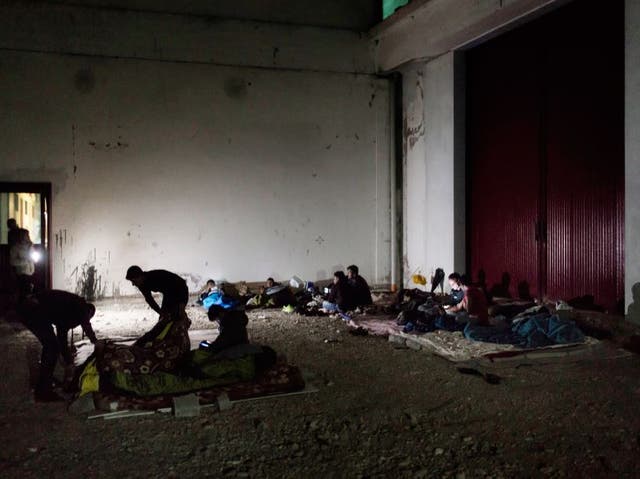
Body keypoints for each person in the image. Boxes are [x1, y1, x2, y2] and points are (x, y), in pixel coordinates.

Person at [17, 290, 97, 401]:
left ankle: (44, 385)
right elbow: (86, 324)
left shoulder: (66, 314)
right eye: (86, 318)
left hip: (30, 309)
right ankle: (43, 392)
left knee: (52, 346)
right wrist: (95, 341)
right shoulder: (81, 305)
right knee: (51, 348)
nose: (80, 322)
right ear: (87, 313)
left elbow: (62, 341)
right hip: (33, 309)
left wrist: (69, 362)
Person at [10, 228, 35, 297]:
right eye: (24, 235)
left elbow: (32, 257)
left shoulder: (30, 246)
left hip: (31, 272)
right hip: (22, 274)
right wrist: (25, 261)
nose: (26, 236)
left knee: (30, 292)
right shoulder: (15, 247)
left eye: (27, 235)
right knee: (24, 293)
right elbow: (12, 261)